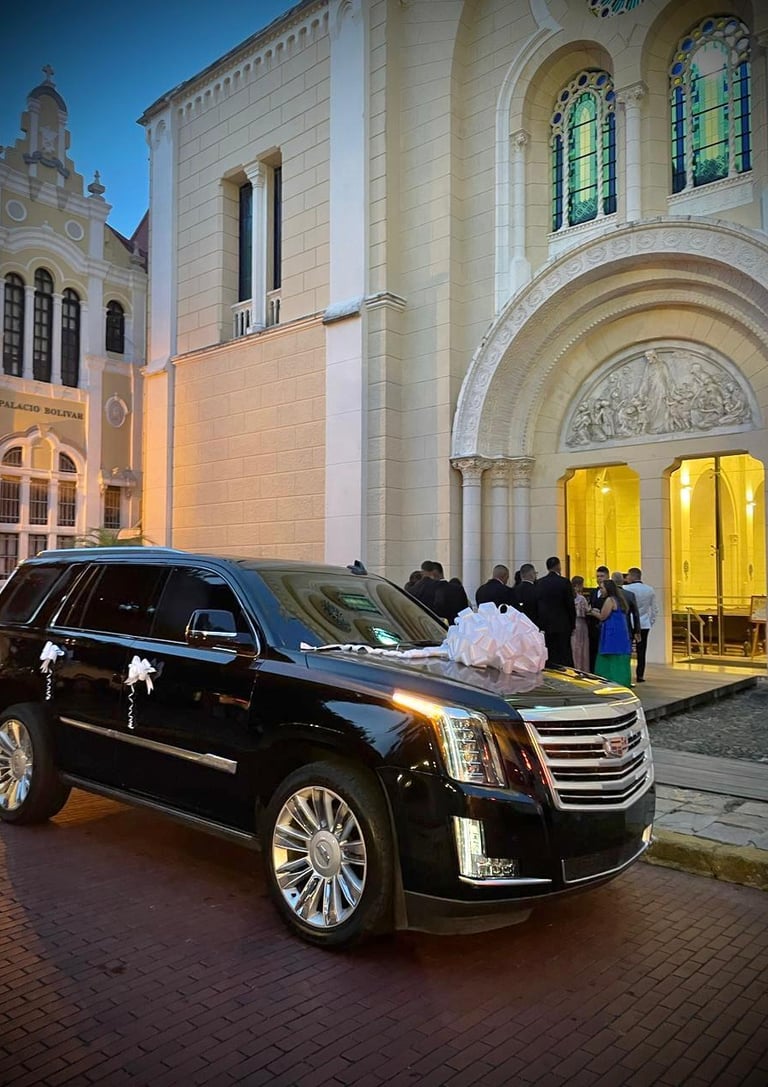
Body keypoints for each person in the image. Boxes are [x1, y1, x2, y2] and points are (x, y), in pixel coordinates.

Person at [533, 556, 575, 667]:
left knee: (550, 652)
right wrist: (572, 624)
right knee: (563, 653)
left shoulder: (540, 583)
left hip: (546, 624)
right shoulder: (564, 582)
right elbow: (570, 605)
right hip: (563, 624)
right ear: (558, 566)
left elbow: (537, 604)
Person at [591, 578, 632, 687]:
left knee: (608, 657)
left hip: (611, 633)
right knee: (620, 657)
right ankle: (623, 681)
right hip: (621, 633)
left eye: (602, 588)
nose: (601, 590)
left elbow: (603, 617)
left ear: (608, 589)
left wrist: (591, 611)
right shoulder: (620, 600)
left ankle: (608, 681)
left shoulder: (610, 600)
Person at [625, 567, 658, 683]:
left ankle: (626, 673)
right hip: (644, 623)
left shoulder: (626, 589)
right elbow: (654, 609)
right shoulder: (649, 590)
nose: (626, 578)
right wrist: (650, 622)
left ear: (633, 576)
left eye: (628, 575)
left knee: (627, 649)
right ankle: (640, 675)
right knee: (642, 650)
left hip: (629, 622)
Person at [588, 566, 609, 672]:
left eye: (602, 576)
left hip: (605, 626)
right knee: (592, 651)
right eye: (597, 576)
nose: (599, 579)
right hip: (593, 626)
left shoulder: (610, 594)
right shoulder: (593, 592)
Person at [612, 571, 641, 646]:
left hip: (611, 629)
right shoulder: (630, 595)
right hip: (626, 627)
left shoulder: (609, 595)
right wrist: (637, 631)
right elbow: (636, 614)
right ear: (622, 581)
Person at [570, 576, 590, 672]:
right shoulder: (581, 598)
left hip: (572, 624)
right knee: (582, 647)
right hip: (581, 624)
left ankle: (574, 667)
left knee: (574, 647)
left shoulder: (569, 596)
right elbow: (586, 611)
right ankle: (582, 668)